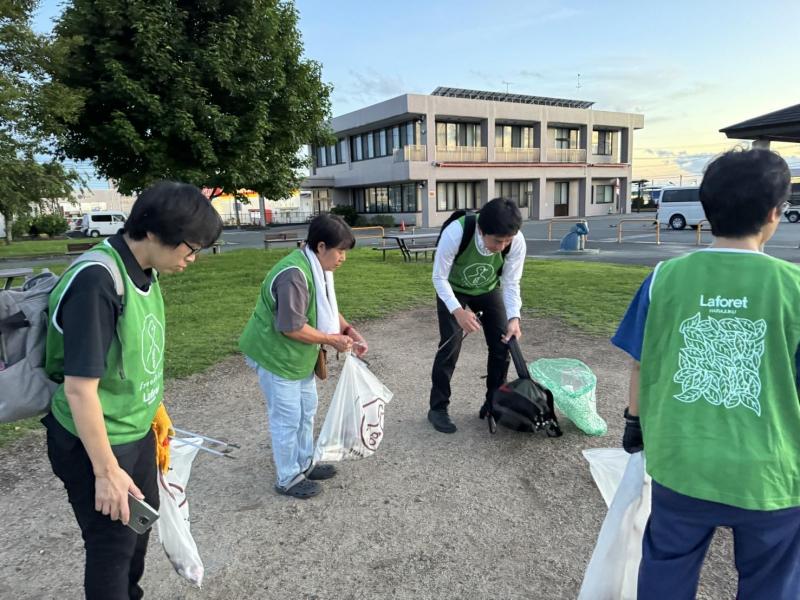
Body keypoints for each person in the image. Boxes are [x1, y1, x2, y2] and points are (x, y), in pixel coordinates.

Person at [612, 148, 800, 599]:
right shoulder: (793, 286)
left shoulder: (664, 278)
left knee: (666, 570)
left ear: (707, 209)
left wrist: (634, 423)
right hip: (772, 473)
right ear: (775, 212)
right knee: (772, 582)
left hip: (682, 461)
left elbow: (640, 360)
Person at [42, 181, 222, 600]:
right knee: (111, 548)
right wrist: (105, 473)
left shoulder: (145, 270)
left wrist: (155, 413)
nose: (192, 259)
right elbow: (80, 390)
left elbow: (137, 357)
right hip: (96, 442)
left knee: (137, 533)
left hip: (135, 433)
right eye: (190, 247)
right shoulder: (97, 281)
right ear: (156, 233)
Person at [239, 213, 368, 499]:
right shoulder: (294, 275)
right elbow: (291, 327)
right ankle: (288, 477)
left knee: (306, 409)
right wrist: (332, 340)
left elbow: (324, 307)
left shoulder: (317, 268)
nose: (343, 258)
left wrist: (347, 328)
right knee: (287, 417)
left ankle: (306, 463)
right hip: (276, 355)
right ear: (321, 247)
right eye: (340, 251)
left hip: (298, 357)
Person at [428, 197, 526, 433]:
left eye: (507, 241)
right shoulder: (457, 232)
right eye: (497, 241)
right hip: (453, 290)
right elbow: (439, 278)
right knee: (450, 348)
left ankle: (494, 403)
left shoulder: (516, 241)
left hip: (488, 289)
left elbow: (511, 282)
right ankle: (438, 408)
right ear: (482, 230)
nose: (502, 247)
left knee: (503, 345)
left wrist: (514, 318)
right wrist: (458, 312)